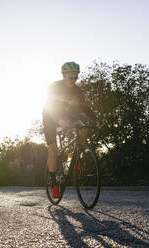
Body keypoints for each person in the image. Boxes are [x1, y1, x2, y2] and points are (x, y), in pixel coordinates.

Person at [42, 61, 101, 198]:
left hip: (65, 113)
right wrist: (59, 120)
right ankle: (54, 184)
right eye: (70, 77)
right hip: (50, 115)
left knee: (82, 126)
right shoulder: (55, 87)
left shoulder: (77, 90)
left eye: (76, 77)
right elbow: (50, 107)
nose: (73, 80)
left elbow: (84, 108)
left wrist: (96, 120)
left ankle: (74, 157)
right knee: (53, 150)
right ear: (63, 76)